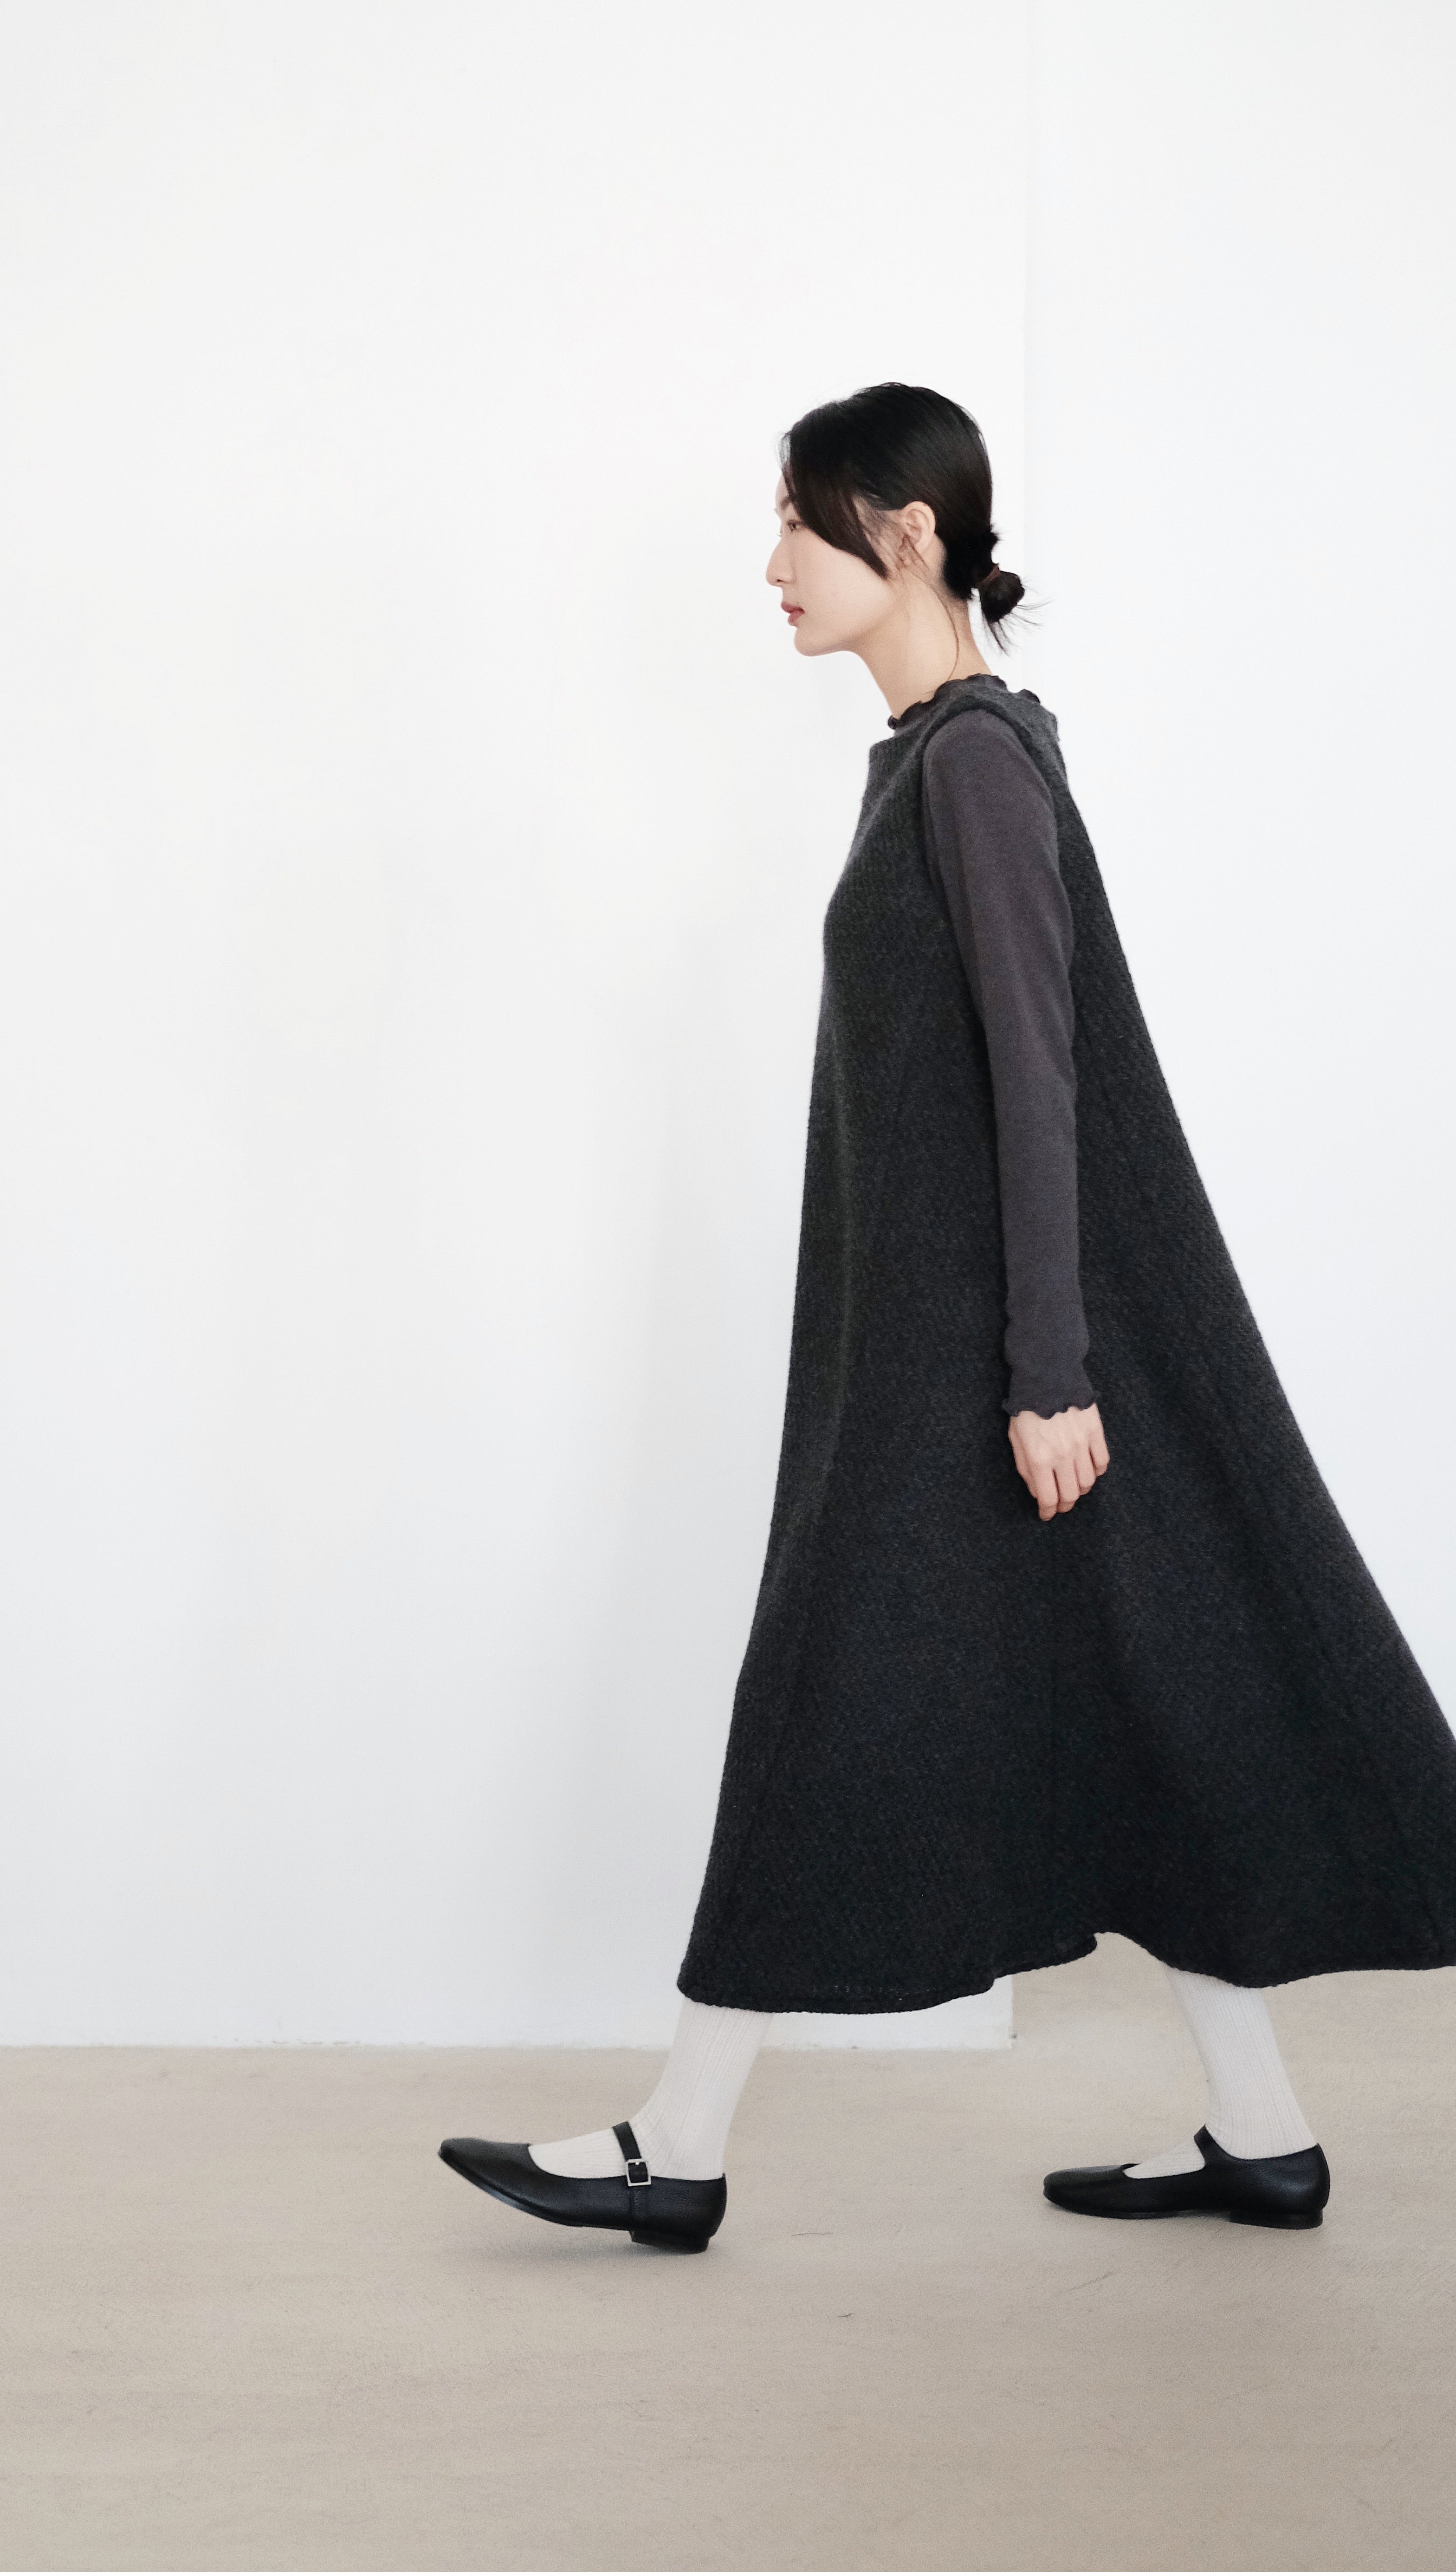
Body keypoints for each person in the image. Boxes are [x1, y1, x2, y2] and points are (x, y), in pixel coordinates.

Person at [439, 382, 1456, 2253]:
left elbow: (1042, 1070)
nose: (771, 561)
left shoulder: (975, 762)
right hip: (955, 1352)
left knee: (821, 1700)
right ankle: (1261, 2133)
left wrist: (1049, 1371)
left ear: (906, 535)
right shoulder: (936, 755)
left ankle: (681, 2144)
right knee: (1157, 1707)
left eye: (798, 520)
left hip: (988, 1369)